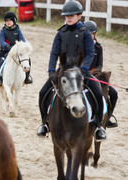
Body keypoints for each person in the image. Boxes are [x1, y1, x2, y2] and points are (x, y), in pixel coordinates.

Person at [37, 0, 107, 142]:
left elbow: (89, 53)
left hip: (81, 70)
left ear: (79, 16)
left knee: (98, 93)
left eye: (72, 15)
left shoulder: (86, 33)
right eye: (66, 16)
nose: (68, 18)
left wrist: (83, 68)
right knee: (43, 93)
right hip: (63, 70)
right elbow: (54, 53)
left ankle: (99, 126)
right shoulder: (60, 33)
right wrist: (51, 70)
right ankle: (44, 123)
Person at [85, 20, 118, 128]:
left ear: (95, 34)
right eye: (87, 34)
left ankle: (107, 118)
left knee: (113, 94)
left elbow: (100, 65)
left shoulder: (98, 48)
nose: (90, 36)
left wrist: (95, 73)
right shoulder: (80, 47)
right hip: (83, 75)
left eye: (92, 34)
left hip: (95, 75)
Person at [0, 11, 33, 86]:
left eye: (10, 20)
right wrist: (6, 46)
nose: (8, 22)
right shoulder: (3, 30)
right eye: (6, 21)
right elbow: (1, 41)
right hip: (5, 51)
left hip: (16, 52)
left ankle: (27, 77)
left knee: (28, 59)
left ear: (14, 21)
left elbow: (22, 39)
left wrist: (22, 46)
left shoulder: (17, 30)